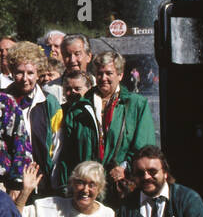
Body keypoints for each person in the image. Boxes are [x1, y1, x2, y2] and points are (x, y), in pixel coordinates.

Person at [61, 49, 156, 202]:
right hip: (86, 188)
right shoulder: (79, 107)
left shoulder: (136, 104)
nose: (103, 78)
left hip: (120, 188)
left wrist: (126, 167)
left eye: (109, 73)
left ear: (120, 75)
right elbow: (68, 153)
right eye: (99, 73)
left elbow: (145, 147)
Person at [5, 41, 62, 196]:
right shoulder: (1, 100)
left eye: (30, 73)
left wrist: (53, 181)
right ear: (11, 72)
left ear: (38, 73)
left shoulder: (49, 102)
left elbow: (57, 146)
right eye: (19, 72)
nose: (25, 79)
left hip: (42, 182)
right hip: (9, 184)